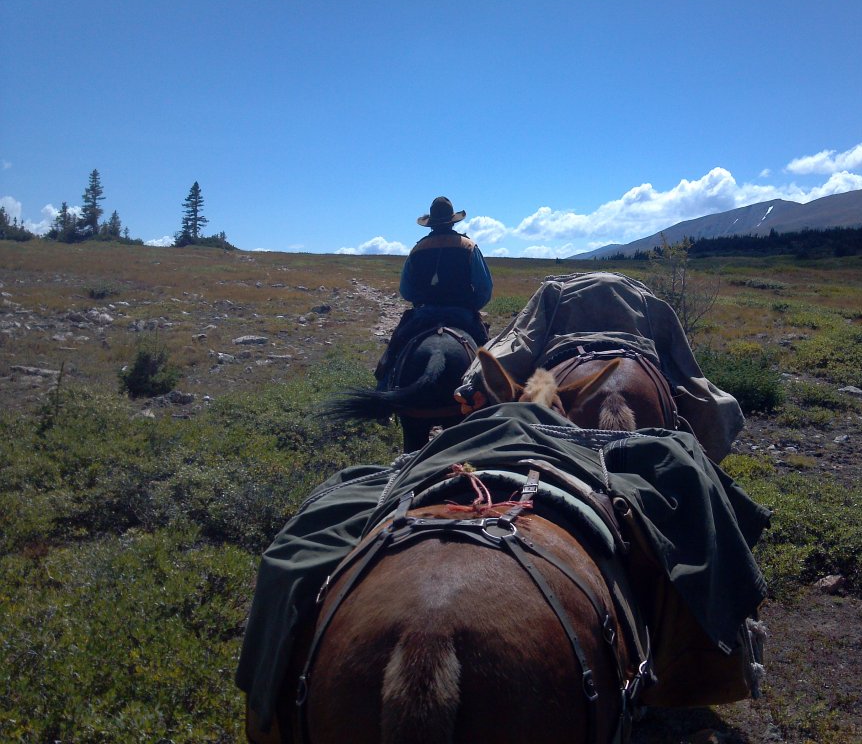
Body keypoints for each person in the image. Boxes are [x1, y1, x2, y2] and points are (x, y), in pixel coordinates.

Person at [235, 401, 770, 733]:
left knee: (295, 550)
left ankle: (265, 708)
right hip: (549, 450)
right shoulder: (480, 262)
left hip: (454, 450)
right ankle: (704, 658)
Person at [454, 271, 744, 462]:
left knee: (511, 369)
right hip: (636, 345)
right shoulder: (644, 298)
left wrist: (479, 377)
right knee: (688, 382)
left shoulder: (554, 291)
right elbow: (674, 345)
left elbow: (523, 336)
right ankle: (708, 461)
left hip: (565, 348)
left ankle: (476, 397)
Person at [374, 196, 492, 388]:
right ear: (452, 222)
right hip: (461, 313)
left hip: (424, 313)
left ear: (430, 225)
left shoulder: (417, 249)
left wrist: (422, 300)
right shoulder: (468, 246)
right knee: (490, 357)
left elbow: (406, 290)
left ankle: (382, 399)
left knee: (393, 353)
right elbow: (484, 288)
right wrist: (471, 305)